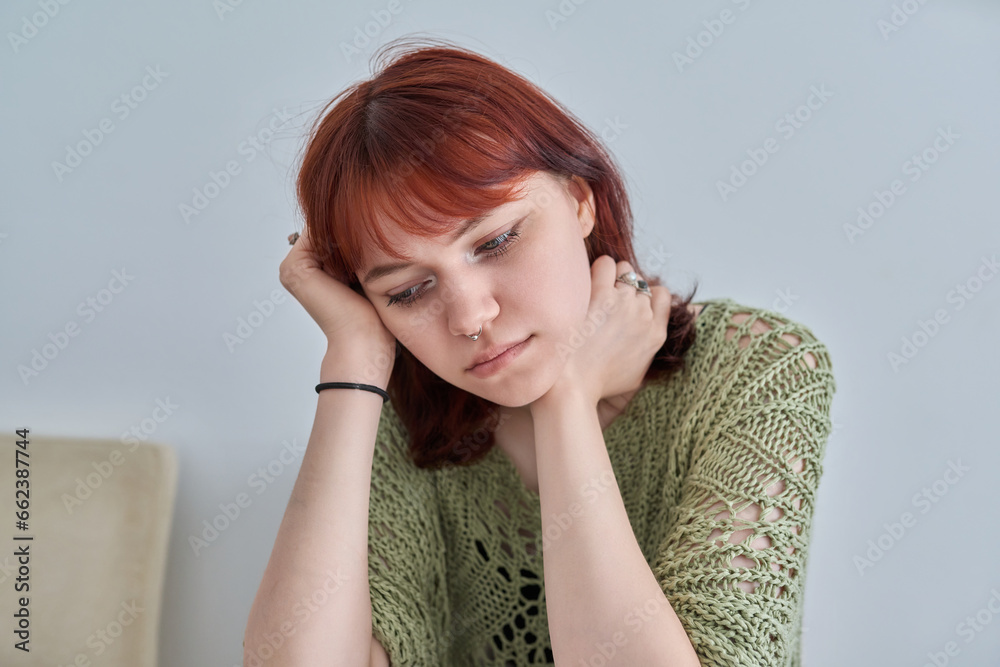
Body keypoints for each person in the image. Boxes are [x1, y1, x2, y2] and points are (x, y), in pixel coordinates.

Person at [244, 36, 837, 667]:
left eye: (496, 242)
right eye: (410, 290)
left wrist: (565, 401)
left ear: (580, 201)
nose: (471, 317)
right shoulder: (400, 424)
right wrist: (354, 364)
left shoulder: (757, 369)